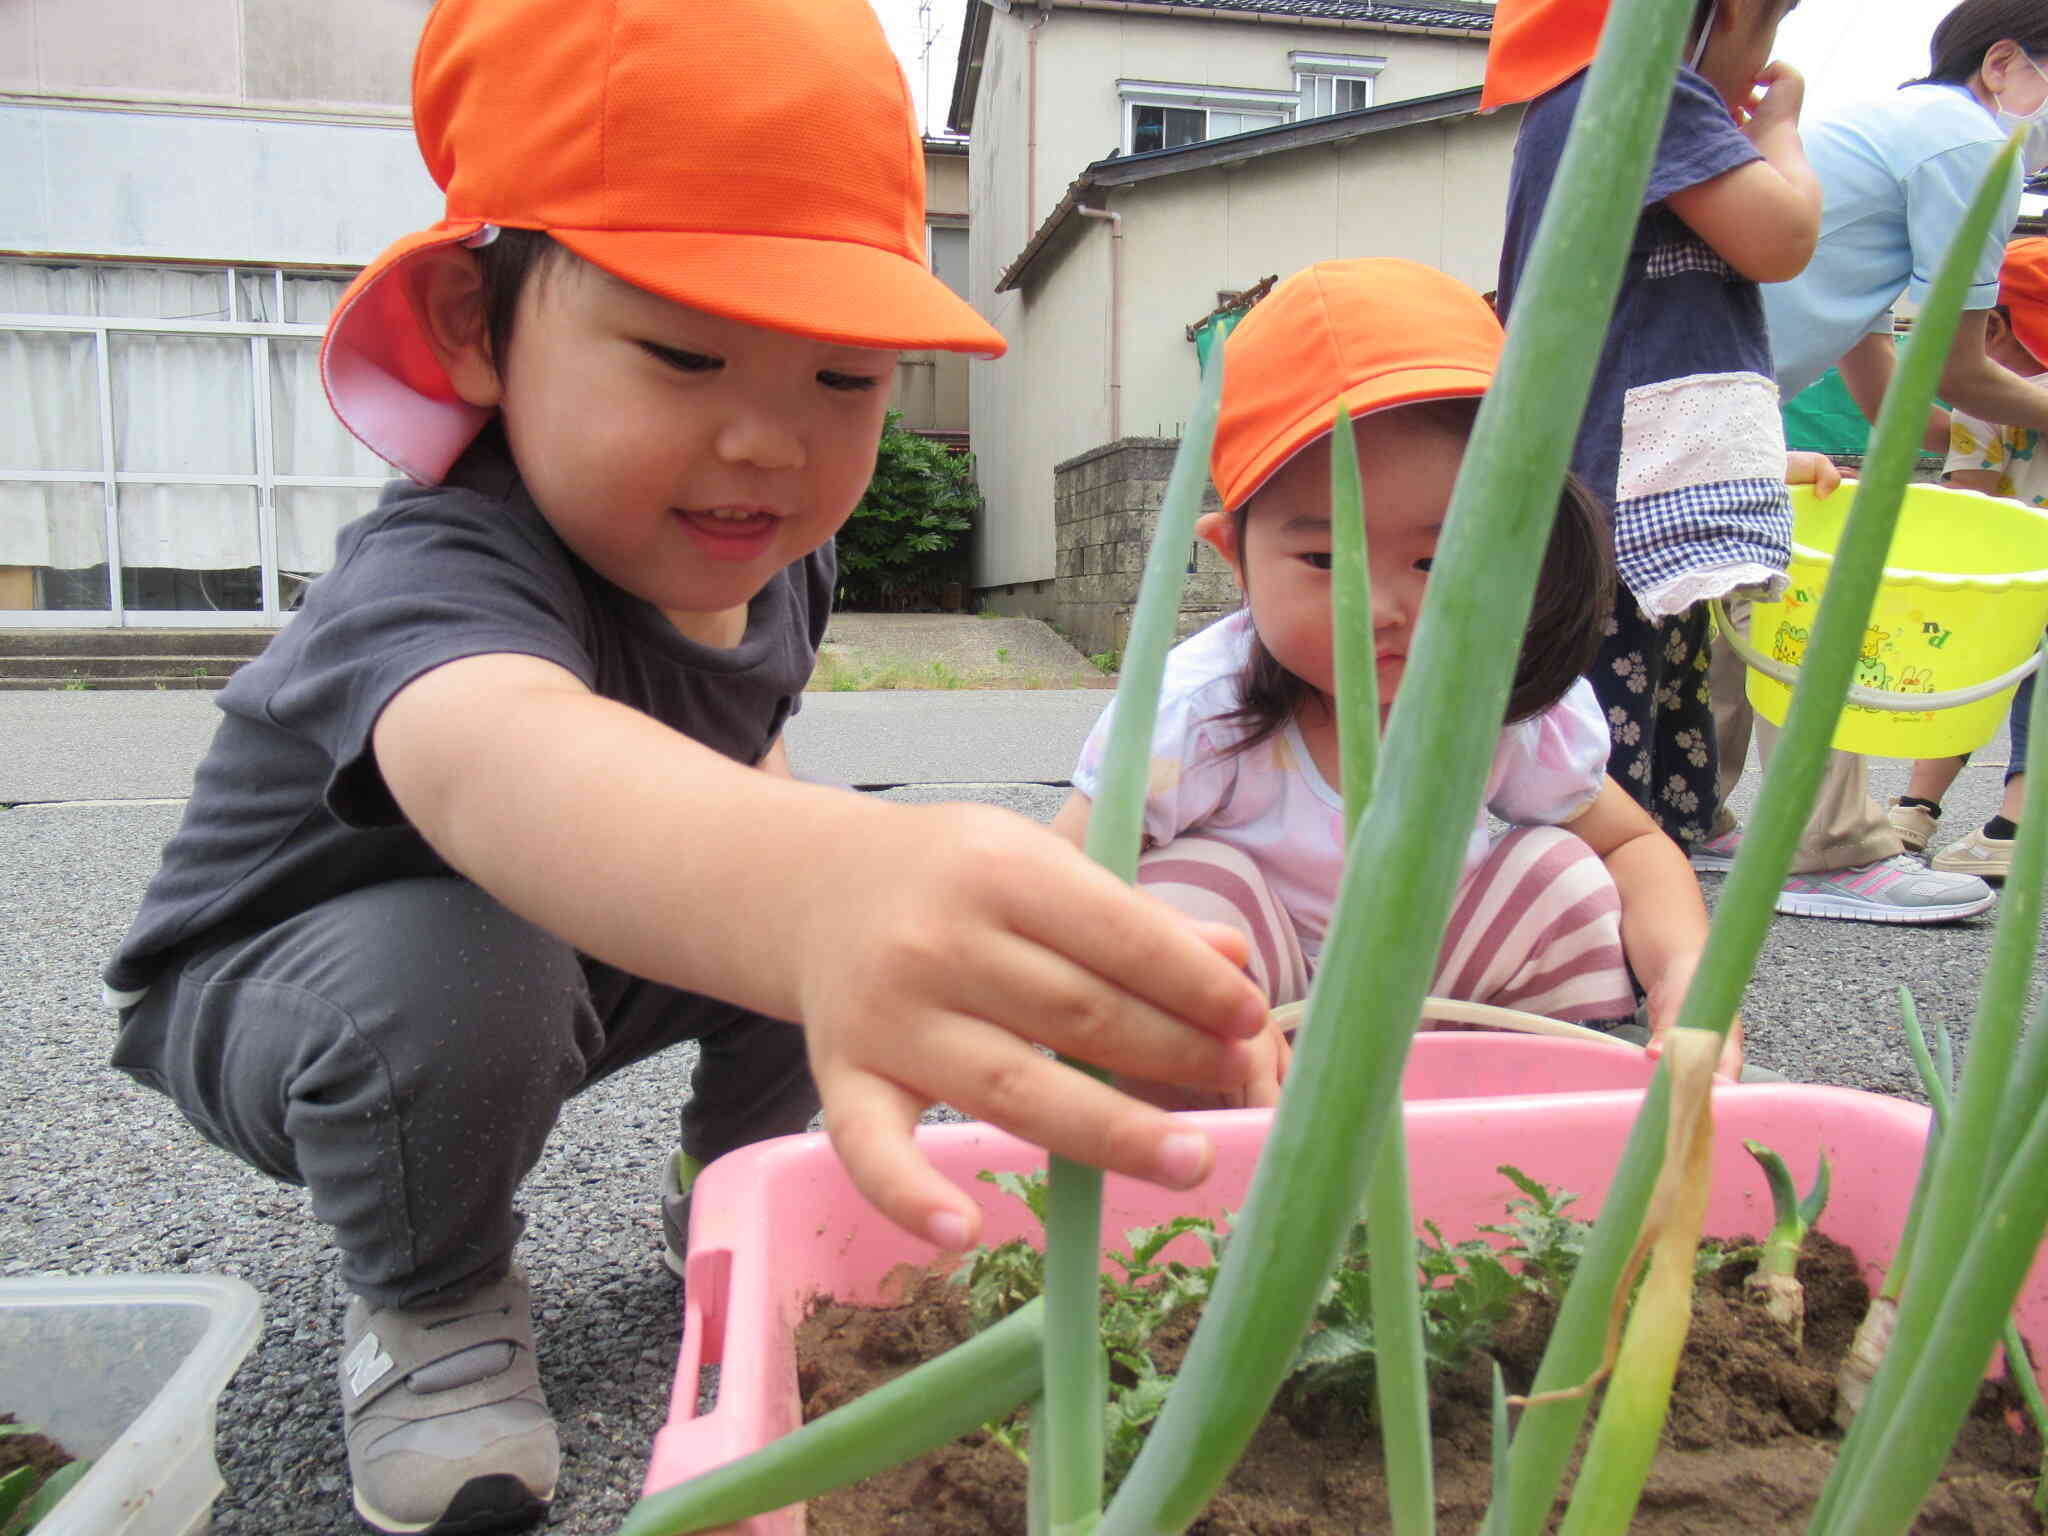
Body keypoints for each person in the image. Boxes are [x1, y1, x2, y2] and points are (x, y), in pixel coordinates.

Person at [95, 1, 1272, 1531]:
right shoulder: (441, 568)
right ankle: (432, 1303)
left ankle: (748, 1192)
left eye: (842, 382)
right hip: (303, 986)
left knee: (805, 888)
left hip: (558, 950)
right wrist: (815, 895)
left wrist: (835, 909)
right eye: (684, 356)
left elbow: (744, 761)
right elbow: (501, 765)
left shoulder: (776, 554)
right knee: (541, 943)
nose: (769, 447)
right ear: (475, 328)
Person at [1049, 260, 1744, 1098]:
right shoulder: (1199, 711)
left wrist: (1687, 983)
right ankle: (1203, 1175)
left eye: (1438, 557)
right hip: (1252, 1034)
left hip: (1444, 1019)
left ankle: (1518, 1145)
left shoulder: (1506, 699)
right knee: (1181, 890)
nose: (1382, 607)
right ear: (1234, 556)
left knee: (1558, 873)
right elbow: (1063, 879)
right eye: (1324, 557)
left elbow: (1633, 844)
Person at [1704, 0, 2041, 921]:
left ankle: (1694, 811)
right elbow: (1959, 363)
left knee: (1720, 599)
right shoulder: (1971, 149)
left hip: (1702, 381)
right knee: (1796, 592)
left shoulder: (1890, 130)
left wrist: (1984, 433)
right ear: (2004, 63)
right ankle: (1827, 849)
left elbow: (1888, 383)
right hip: (1715, 390)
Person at [1484, 0, 1835, 870]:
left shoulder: (1578, 100)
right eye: (1771, 21)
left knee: (1638, 724)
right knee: (1609, 752)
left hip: (1613, 476)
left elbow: (1642, 328)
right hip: (1624, 494)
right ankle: (1607, 933)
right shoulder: (1642, 90)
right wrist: (1780, 128)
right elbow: (1785, 237)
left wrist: (1755, 458)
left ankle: (1635, 901)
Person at [1887, 236, 2048, 880]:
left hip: (2007, 580)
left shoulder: (1988, 400)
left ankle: (1922, 811)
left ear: (1996, 325)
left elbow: (1968, 503)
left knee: (1967, 684)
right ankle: (2012, 816)